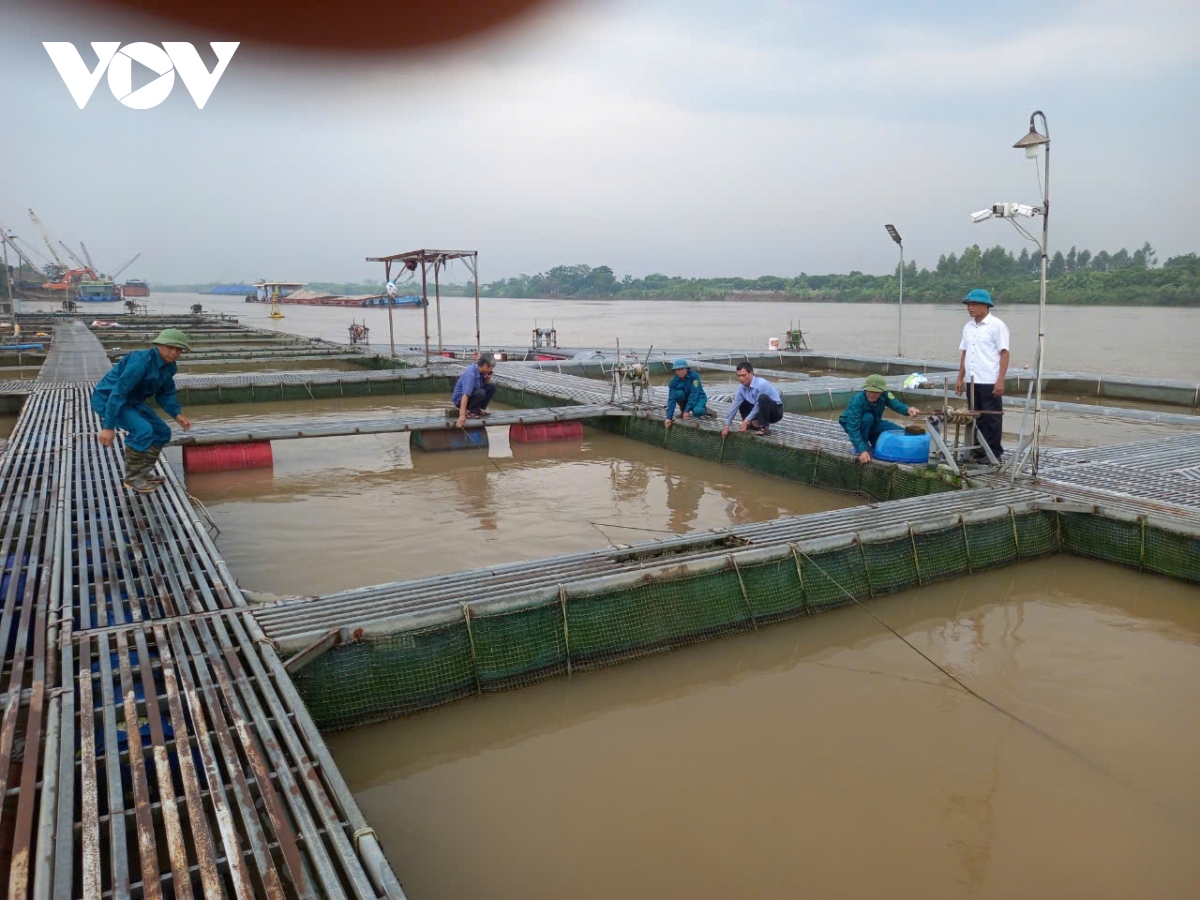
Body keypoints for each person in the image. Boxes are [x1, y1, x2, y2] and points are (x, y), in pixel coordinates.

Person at [92, 328, 193, 493]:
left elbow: (165, 393)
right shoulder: (141, 362)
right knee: (142, 430)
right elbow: (118, 392)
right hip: (108, 399)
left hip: (133, 401)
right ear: (159, 345)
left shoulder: (170, 367)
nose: (174, 352)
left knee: (162, 432)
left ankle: (142, 474)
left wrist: (176, 413)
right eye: (170, 347)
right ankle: (132, 478)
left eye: (178, 349)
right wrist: (108, 427)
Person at [955, 288, 1010, 461]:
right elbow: (965, 353)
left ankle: (993, 453)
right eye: (969, 304)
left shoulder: (997, 326)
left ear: (986, 306)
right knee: (975, 417)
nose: (970, 308)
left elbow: (1004, 353)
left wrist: (1000, 380)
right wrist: (960, 377)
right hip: (973, 380)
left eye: (974, 304)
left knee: (991, 418)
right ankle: (978, 450)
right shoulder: (968, 327)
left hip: (989, 379)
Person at [839, 374, 922, 464]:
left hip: (874, 421)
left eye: (876, 392)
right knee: (867, 418)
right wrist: (862, 450)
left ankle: (872, 439)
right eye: (869, 391)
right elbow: (853, 429)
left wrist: (908, 409)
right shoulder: (857, 401)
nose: (871, 394)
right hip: (852, 423)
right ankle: (860, 446)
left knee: (900, 431)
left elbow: (895, 404)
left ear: (882, 391)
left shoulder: (886, 394)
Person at [721, 361, 783, 437]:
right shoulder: (741, 388)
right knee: (741, 402)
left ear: (751, 373)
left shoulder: (761, 384)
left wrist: (746, 421)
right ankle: (751, 425)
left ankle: (764, 427)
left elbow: (757, 406)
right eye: (739, 376)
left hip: (774, 411)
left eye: (744, 375)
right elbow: (735, 406)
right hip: (759, 410)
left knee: (763, 398)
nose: (741, 379)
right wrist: (727, 425)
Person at [452, 352, 497, 427]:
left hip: (472, 395)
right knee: (481, 392)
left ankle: (478, 410)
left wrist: (487, 378)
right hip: (460, 400)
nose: (491, 370)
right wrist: (462, 415)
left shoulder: (481, 371)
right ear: (485, 365)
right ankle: (470, 411)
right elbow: (465, 395)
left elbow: (483, 385)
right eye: (491, 368)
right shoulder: (471, 374)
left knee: (491, 388)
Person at [663, 358, 708, 427]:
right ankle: (683, 410)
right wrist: (669, 417)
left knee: (697, 412)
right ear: (675, 371)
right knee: (678, 394)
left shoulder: (695, 377)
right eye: (678, 370)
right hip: (686, 398)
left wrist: (687, 410)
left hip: (698, 397)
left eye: (682, 369)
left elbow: (694, 393)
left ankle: (706, 411)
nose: (680, 372)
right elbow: (671, 399)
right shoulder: (673, 382)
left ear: (687, 369)